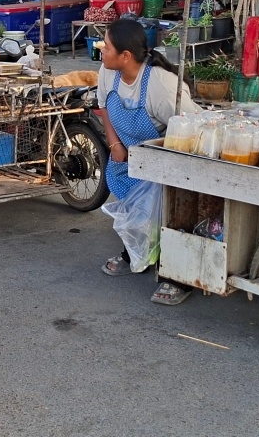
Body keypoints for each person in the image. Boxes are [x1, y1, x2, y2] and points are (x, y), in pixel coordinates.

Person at [96, 19, 200, 305]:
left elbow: (191, 128)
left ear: (126, 56)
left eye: (106, 46)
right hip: (128, 154)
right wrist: (115, 144)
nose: (101, 50)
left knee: (168, 214)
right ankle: (135, 251)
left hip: (169, 156)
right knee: (136, 209)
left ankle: (176, 277)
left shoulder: (160, 84)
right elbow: (103, 106)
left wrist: (155, 154)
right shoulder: (107, 71)